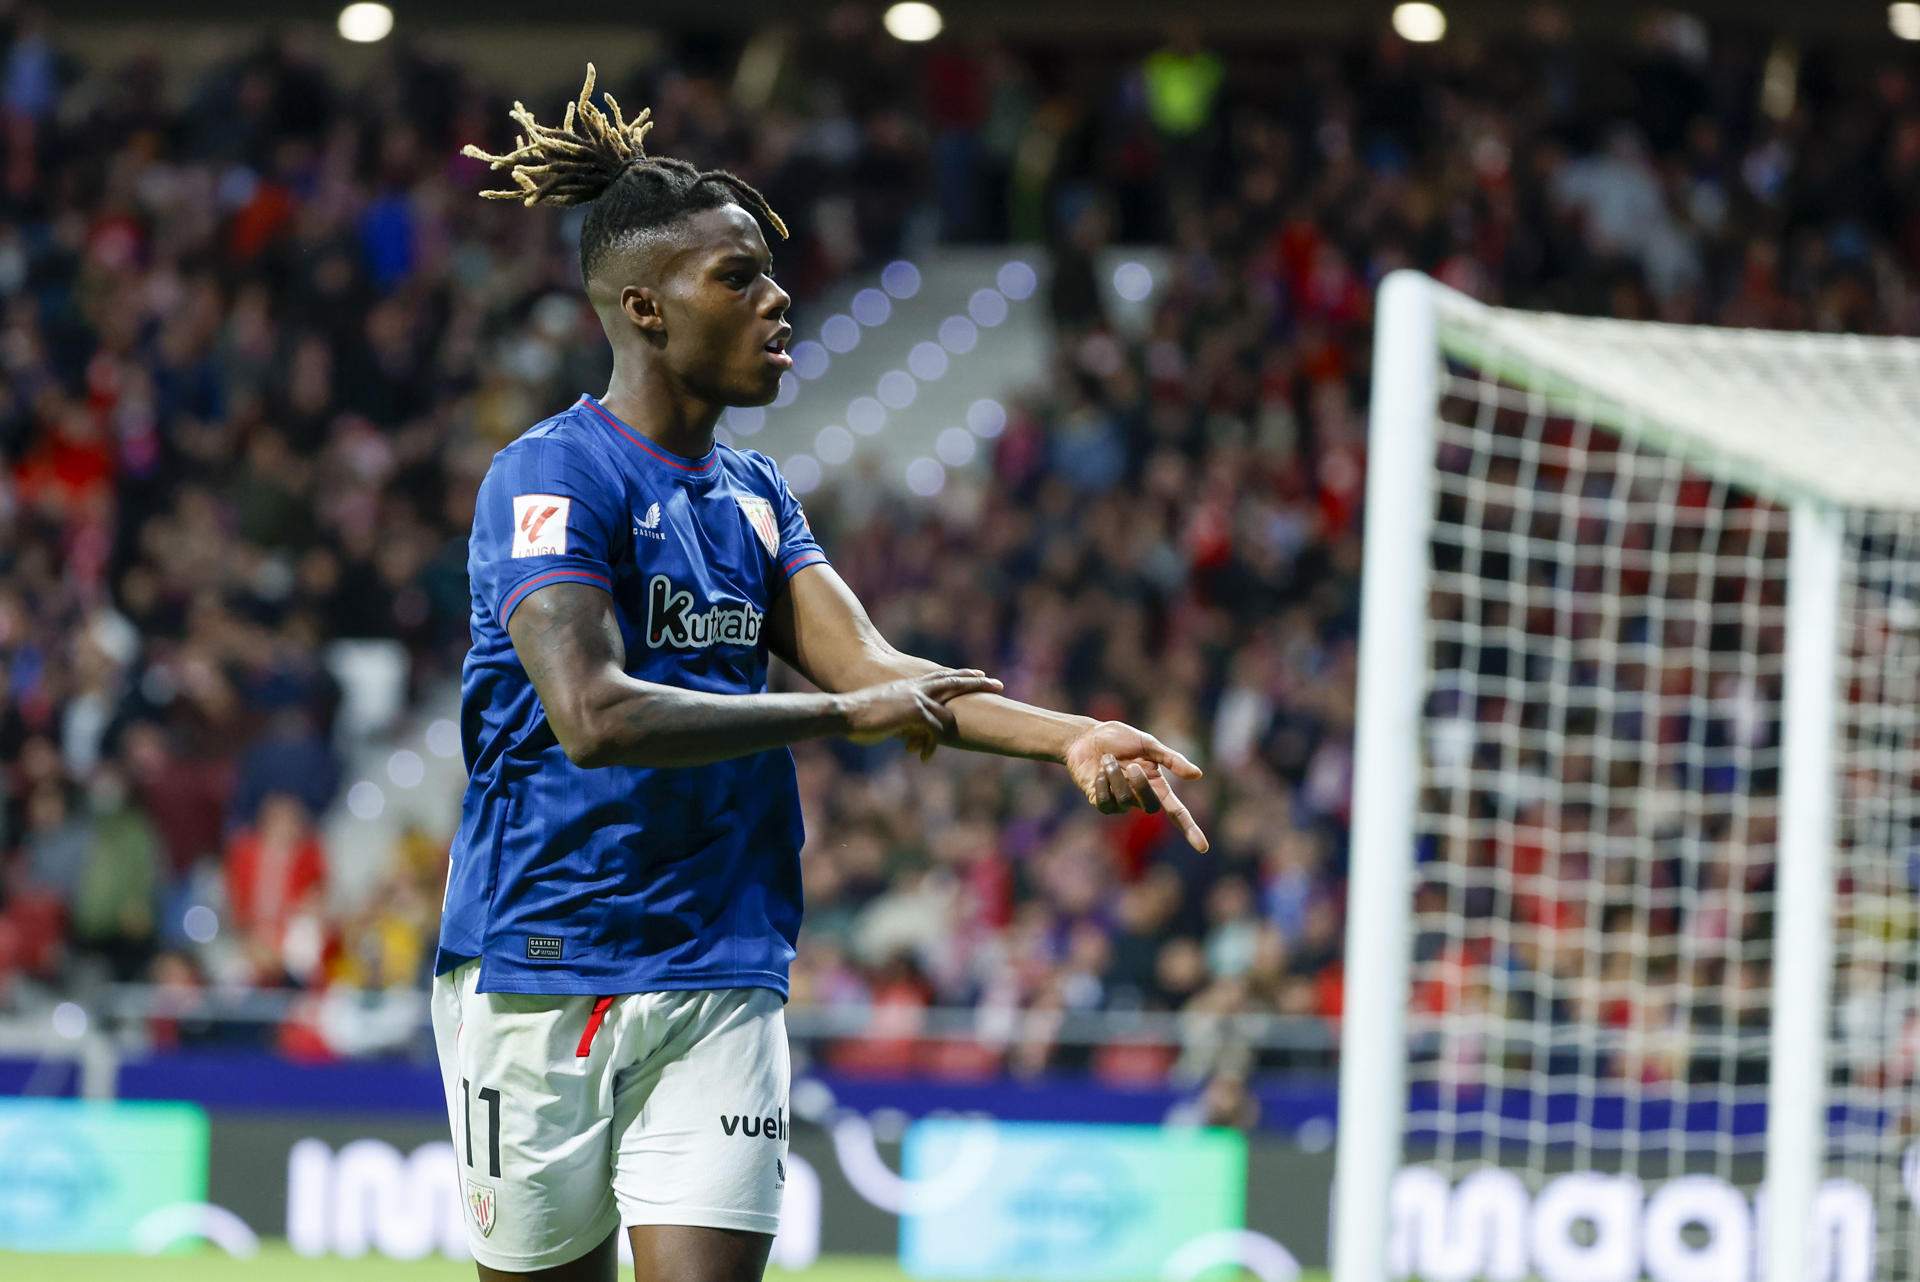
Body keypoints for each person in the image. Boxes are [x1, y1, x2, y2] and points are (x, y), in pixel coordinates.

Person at [438, 65, 1209, 1282]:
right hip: (544, 959)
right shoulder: (550, 479)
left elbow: (877, 669)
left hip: (721, 961)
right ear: (644, 308)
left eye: (771, 272)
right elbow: (592, 715)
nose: (778, 298)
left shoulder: (753, 497)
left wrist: (1069, 733)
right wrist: (839, 714)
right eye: (736, 277)